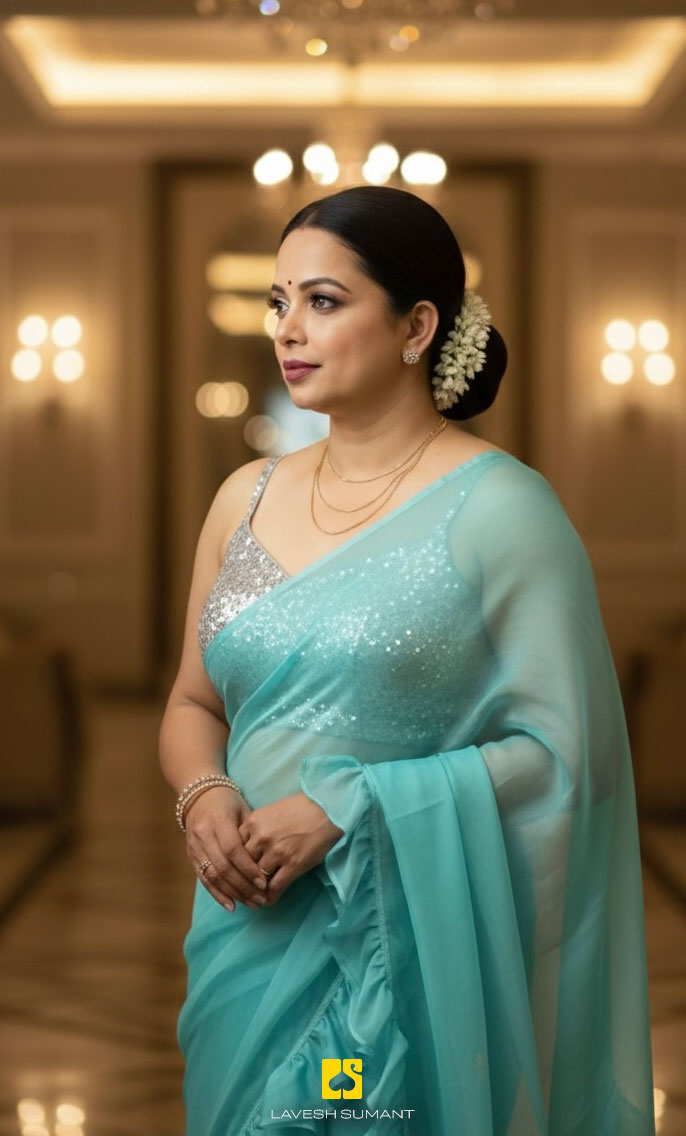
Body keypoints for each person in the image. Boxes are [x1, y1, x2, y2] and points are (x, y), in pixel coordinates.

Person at [159, 185, 655, 1135]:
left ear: (418, 324)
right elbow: (192, 702)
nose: (287, 329)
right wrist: (203, 798)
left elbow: (567, 757)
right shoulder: (243, 499)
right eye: (277, 301)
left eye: (324, 301)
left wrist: (350, 811)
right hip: (240, 928)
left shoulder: (504, 509)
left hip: (399, 941)